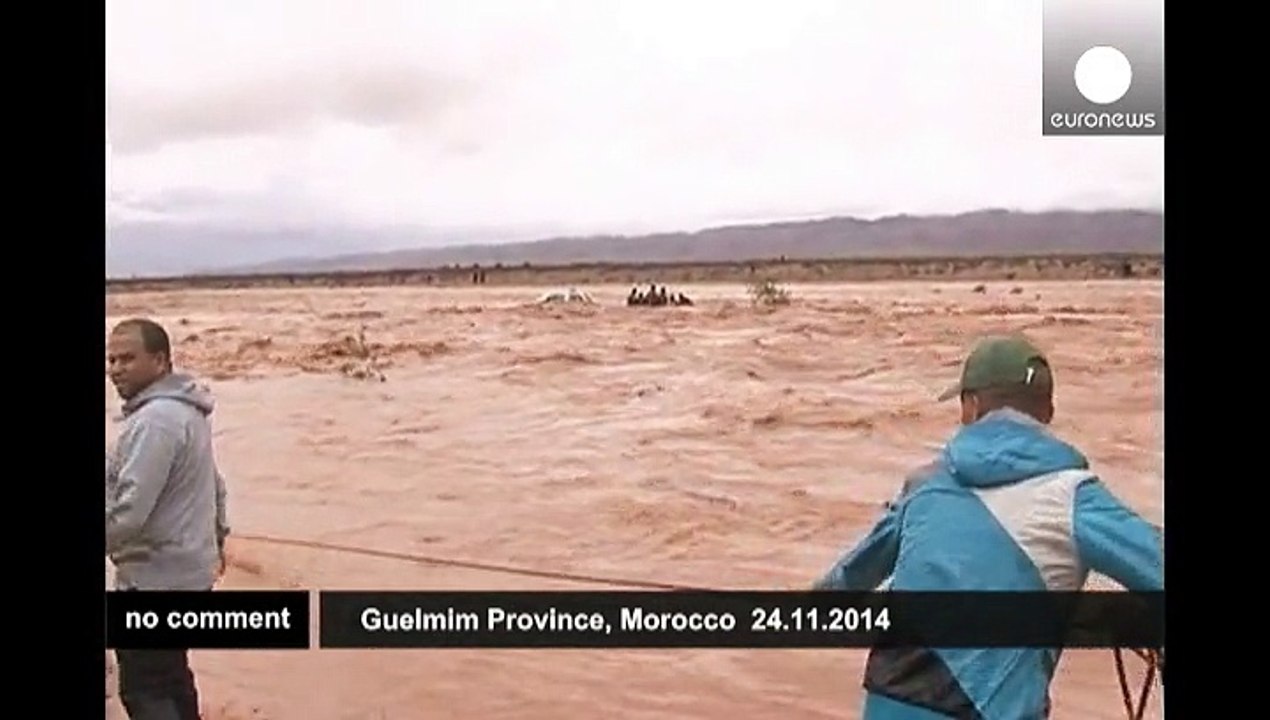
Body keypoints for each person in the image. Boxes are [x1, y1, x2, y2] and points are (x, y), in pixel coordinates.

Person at [813, 333, 1163, 719]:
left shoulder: (924, 484)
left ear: (972, 405)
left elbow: (837, 592)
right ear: (1047, 411)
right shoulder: (1076, 497)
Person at [106, 318, 231, 720]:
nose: (116, 368)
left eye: (128, 358)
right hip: (190, 575)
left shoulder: (154, 421)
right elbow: (217, 487)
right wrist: (218, 539)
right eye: (110, 359)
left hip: (155, 581)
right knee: (171, 674)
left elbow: (129, 513)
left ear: (160, 361)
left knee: (143, 686)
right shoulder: (187, 411)